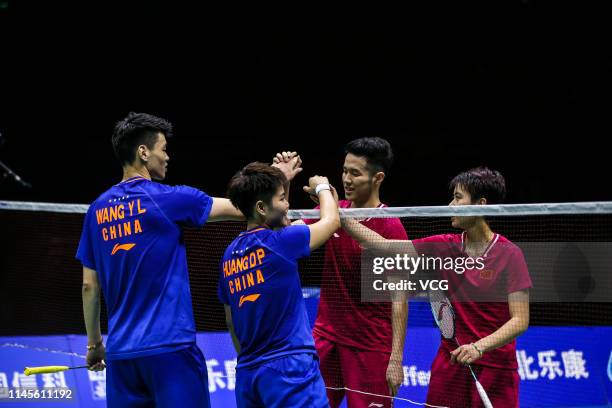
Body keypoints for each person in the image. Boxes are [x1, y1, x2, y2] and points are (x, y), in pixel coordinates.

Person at [76, 112, 300, 407]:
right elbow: (254, 210)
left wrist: (95, 344)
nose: (167, 157)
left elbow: (89, 286)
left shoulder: (96, 210)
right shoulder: (170, 198)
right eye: (163, 149)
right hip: (171, 350)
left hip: (121, 356)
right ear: (144, 152)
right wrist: (277, 179)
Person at [340, 167, 531, 408]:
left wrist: (479, 347)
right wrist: (338, 215)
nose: (450, 205)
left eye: (458, 198)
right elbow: (384, 246)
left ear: (480, 204)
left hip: (496, 369)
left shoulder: (510, 254)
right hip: (450, 365)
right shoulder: (444, 247)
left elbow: (520, 320)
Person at [274, 137, 409, 407]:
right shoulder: (330, 212)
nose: (346, 179)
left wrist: (396, 359)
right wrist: (283, 182)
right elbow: (283, 234)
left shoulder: (390, 226)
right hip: (326, 337)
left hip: (370, 345)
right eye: (345, 170)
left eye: (355, 173)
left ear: (377, 178)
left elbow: (399, 299)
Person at [218, 162, 339, 408]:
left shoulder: (229, 255)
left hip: (248, 374)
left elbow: (231, 320)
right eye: (282, 198)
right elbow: (331, 220)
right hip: (290, 369)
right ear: (261, 207)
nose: (287, 205)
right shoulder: (282, 242)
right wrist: (322, 188)